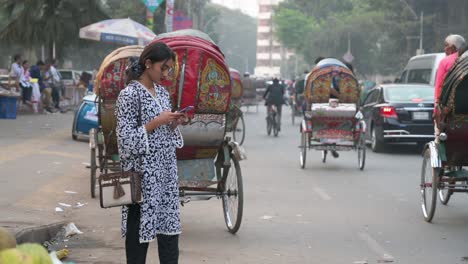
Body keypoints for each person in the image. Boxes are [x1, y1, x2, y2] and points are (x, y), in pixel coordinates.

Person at [116, 42, 187, 264]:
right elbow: (125, 140)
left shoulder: (163, 93)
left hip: (165, 173)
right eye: (163, 68)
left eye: (169, 69)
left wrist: (174, 123)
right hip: (142, 176)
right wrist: (155, 122)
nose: (166, 74)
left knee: (169, 231)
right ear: (148, 64)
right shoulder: (129, 95)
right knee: (138, 233)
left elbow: (165, 133)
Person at [433, 34, 465, 138]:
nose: (444, 49)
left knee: (439, 137)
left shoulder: (445, 62)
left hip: (449, 114)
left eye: (446, 46)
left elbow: (439, 87)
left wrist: (436, 110)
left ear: (452, 47)